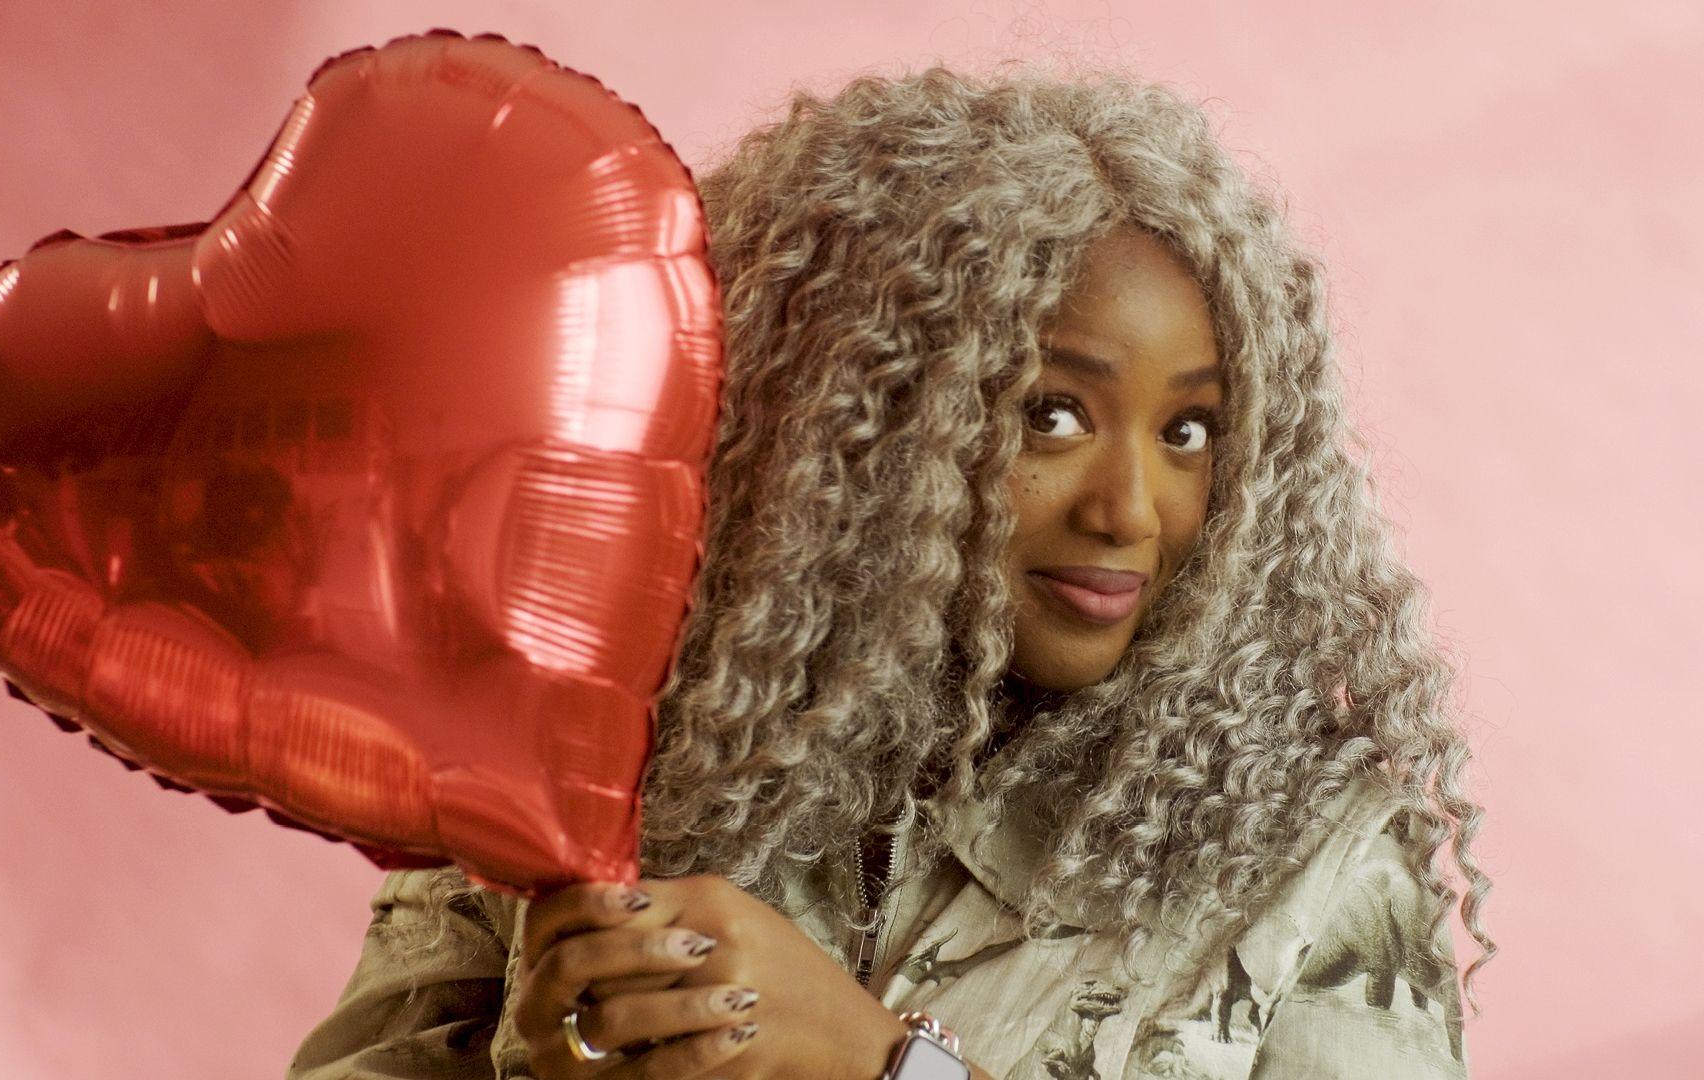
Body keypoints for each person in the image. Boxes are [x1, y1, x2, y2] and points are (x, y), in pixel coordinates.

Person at [284, 63, 1495, 1080]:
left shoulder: (1309, 858)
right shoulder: (569, 763)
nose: (1132, 508)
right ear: (854, 428)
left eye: (1188, 432)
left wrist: (886, 1066)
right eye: (1052, 414)